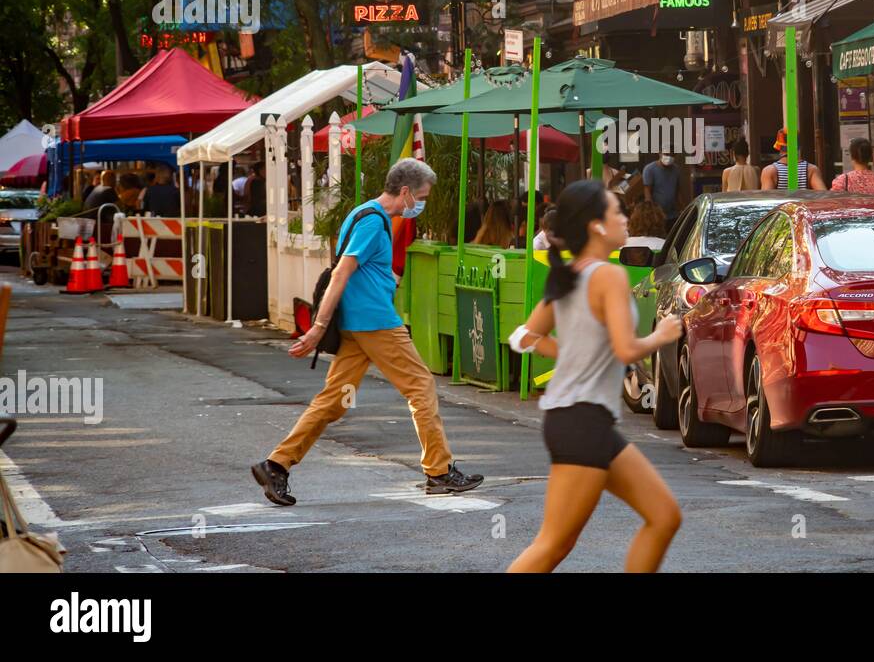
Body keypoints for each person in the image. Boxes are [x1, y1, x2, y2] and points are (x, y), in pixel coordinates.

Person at [252, 158, 483, 504]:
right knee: (420, 387)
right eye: (420, 196)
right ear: (405, 192)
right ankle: (439, 471)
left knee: (334, 401)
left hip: (357, 326)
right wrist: (318, 327)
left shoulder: (363, 213)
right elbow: (342, 272)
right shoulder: (374, 223)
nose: (421, 204)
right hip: (377, 323)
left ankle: (277, 464)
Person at [506, 180, 682, 572]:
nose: (625, 219)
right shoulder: (608, 276)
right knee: (552, 545)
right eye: (617, 212)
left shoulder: (569, 274)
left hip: (583, 422)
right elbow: (625, 349)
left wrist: (571, 352)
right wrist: (662, 334)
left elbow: (522, 337)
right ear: (597, 226)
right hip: (582, 422)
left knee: (664, 516)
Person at [761, 128, 826, 190]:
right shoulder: (811, 169)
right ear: (799, 147)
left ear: (779, 147)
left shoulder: (769, 171)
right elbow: (823, 195)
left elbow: (765, 199)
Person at [641, 153, 681, 227]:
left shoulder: (676, 169)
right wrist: (651, 214)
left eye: (672, 155)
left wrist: (682, 209)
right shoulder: (650, 169)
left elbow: (678, 191)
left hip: (673, 215)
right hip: (657, 216)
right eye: (666, 154)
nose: (669, 157)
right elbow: (647, 194)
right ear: (660, 153)